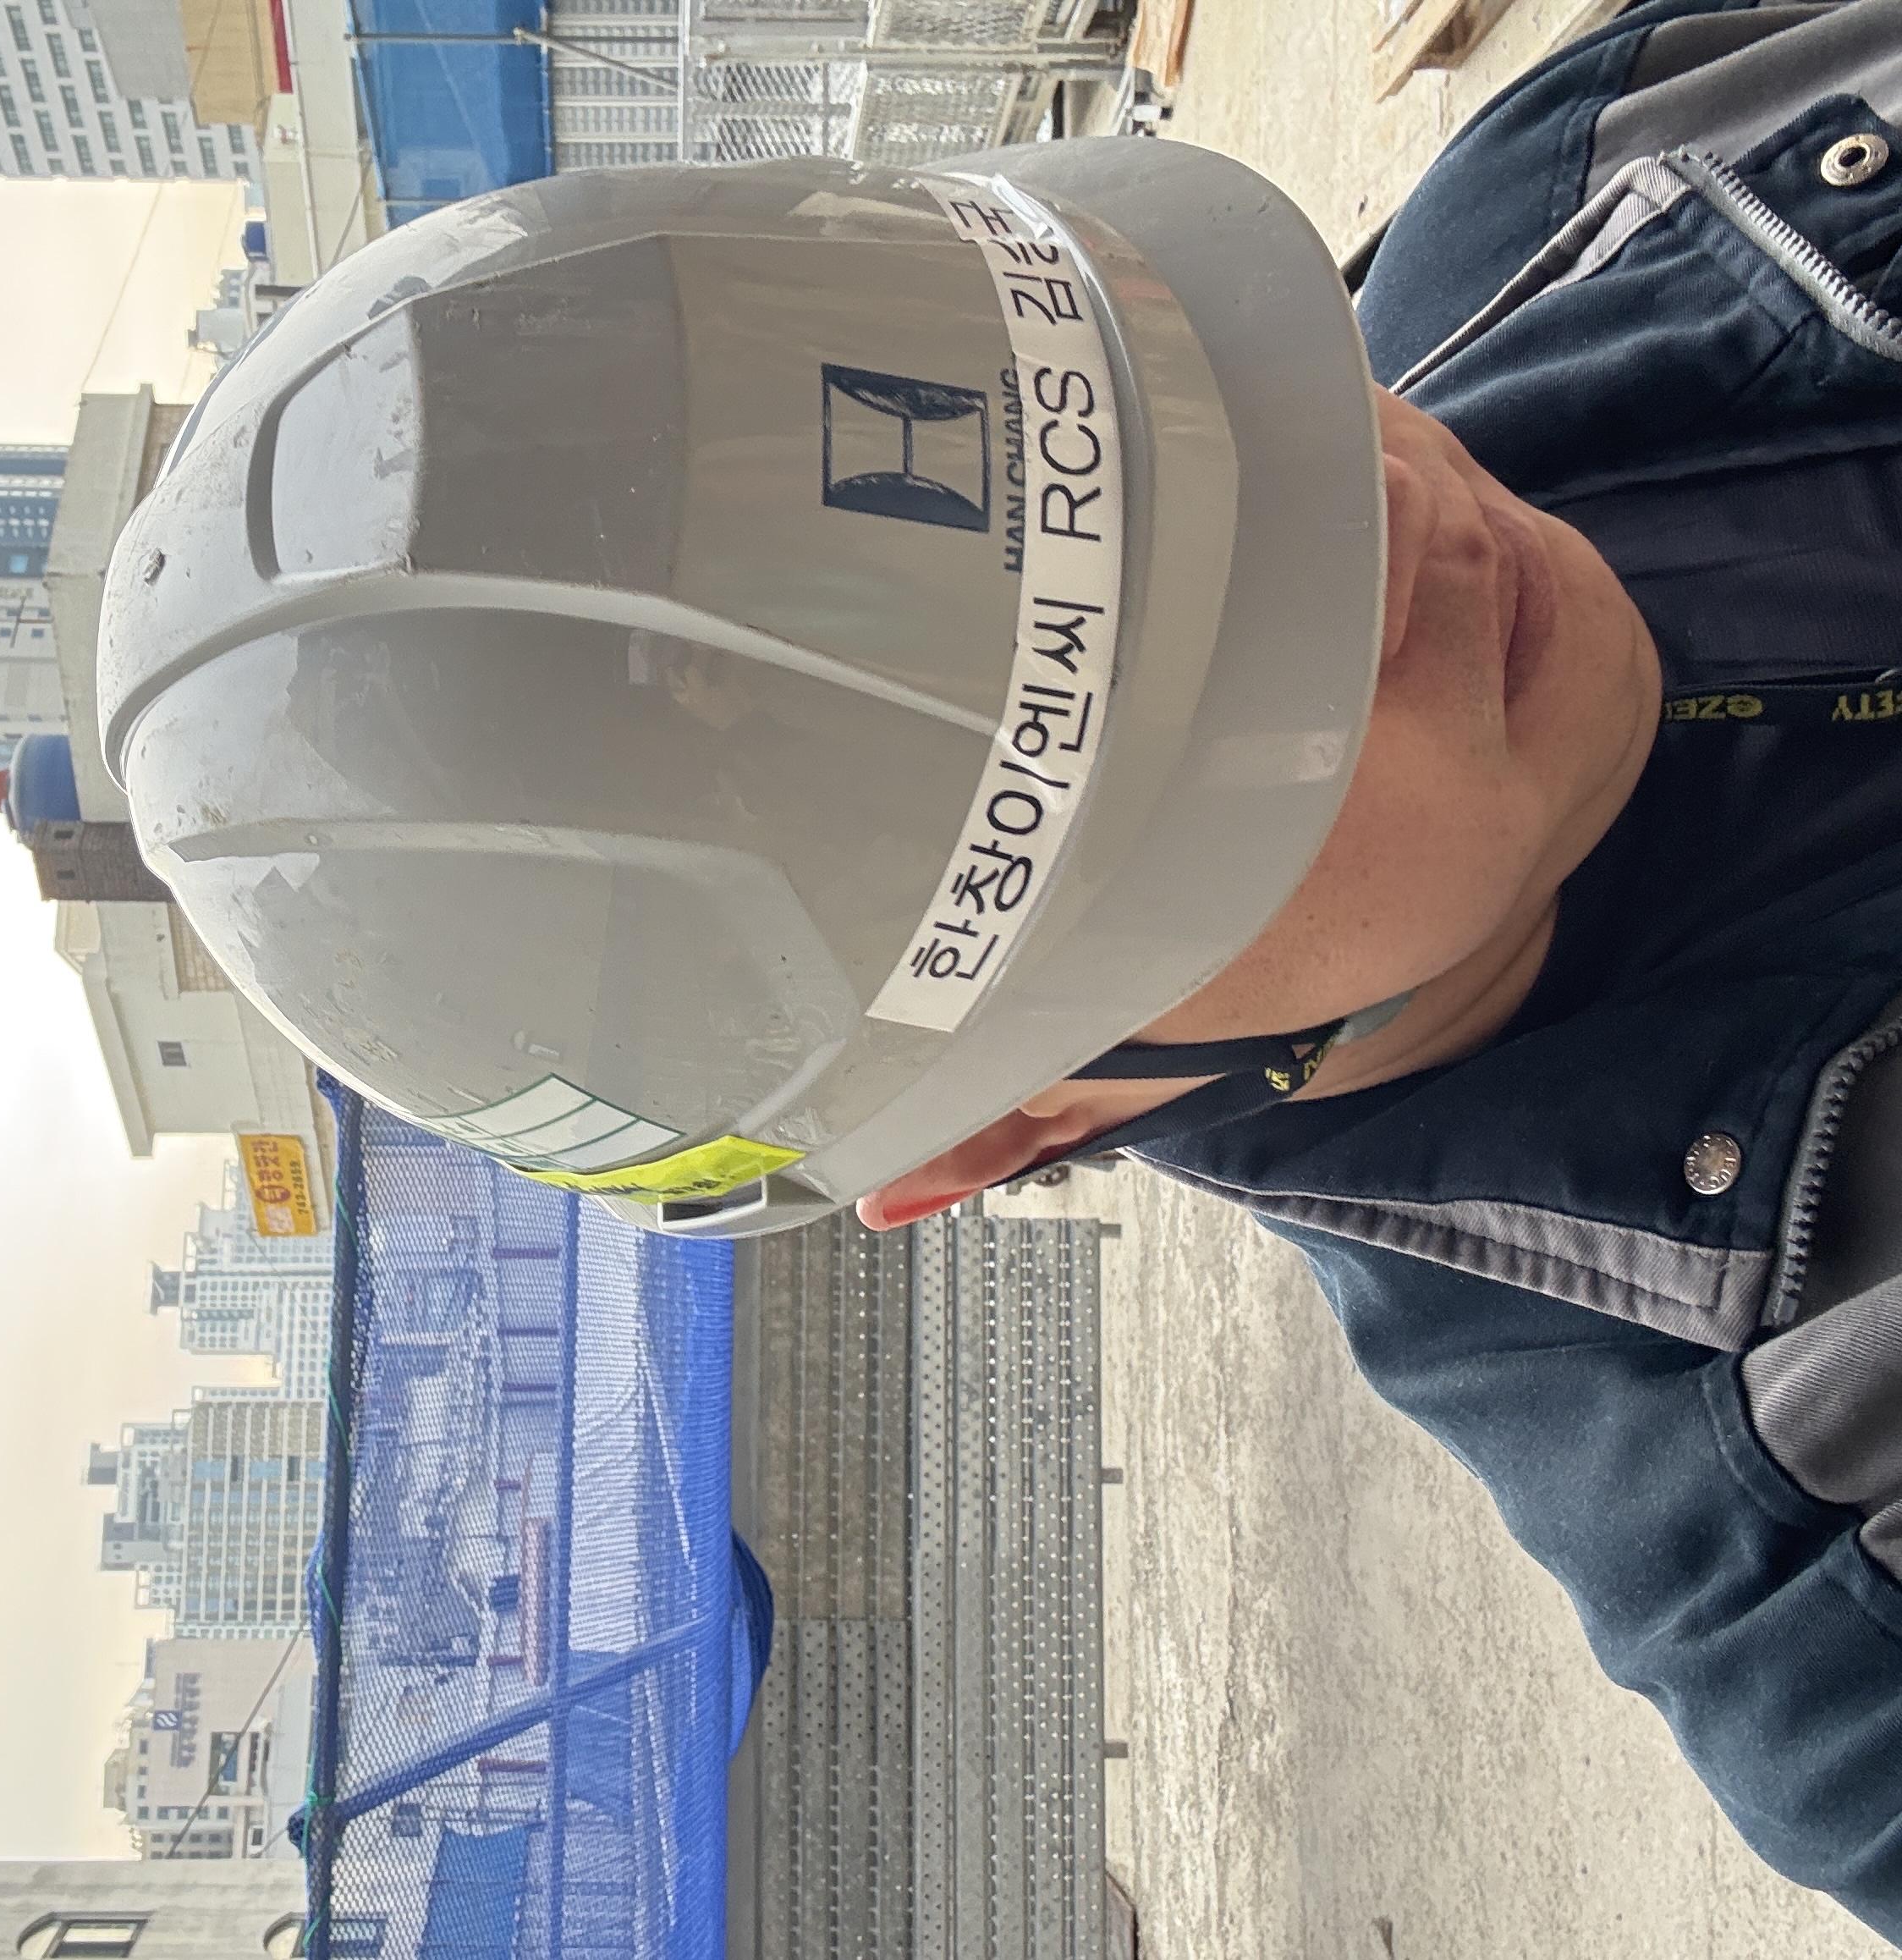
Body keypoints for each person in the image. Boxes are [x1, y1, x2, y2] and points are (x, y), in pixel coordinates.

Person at [102, 0, 1902, 1932]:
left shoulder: (1609, 186)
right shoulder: (1824, 1590)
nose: (1384, 513)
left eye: (1190, 419)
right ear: (1012, 1125)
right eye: (1183, 714)